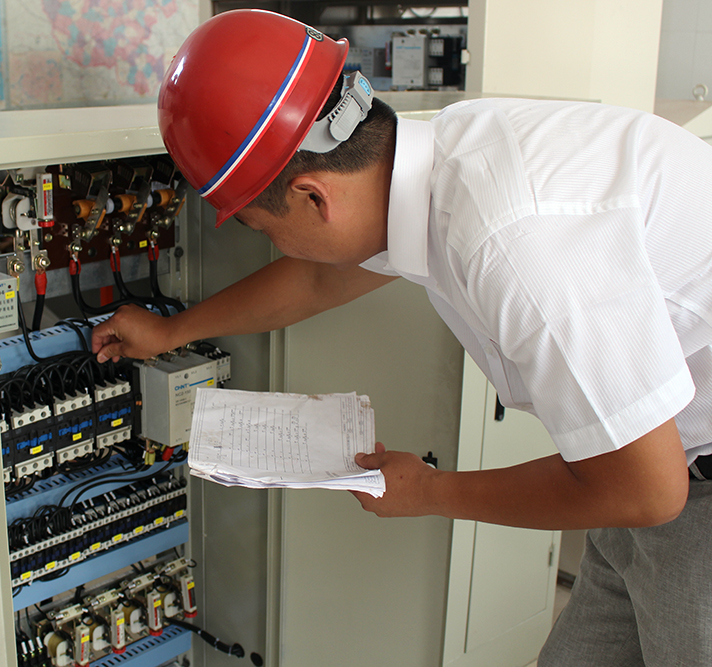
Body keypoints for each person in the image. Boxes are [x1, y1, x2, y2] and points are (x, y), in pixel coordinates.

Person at [91, 9, 712, 665]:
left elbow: (646, 490)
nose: (279, 246)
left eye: (265, 230)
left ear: (314, 197)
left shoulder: (514, 242)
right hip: (650, 474)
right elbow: (319, 279)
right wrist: (172, 330)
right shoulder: (431, 165)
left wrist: (430, 492)